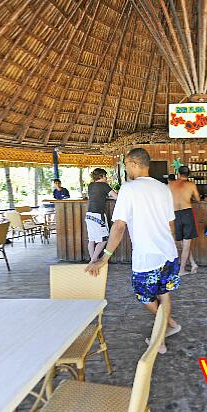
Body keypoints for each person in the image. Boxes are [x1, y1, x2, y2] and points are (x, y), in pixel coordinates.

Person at [86, 148, 181, 354]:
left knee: (145, 297)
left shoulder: (129, 189)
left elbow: (119, 227)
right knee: (163, 294)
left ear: (134, 164)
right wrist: (169, 244)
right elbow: (171, 224)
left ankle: (160, 337)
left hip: (147, 256)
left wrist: (105, 258)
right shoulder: (164, 188)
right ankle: (168, 324)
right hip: (168, 253)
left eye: (126, 164)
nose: (126, 168)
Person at [168, 165, 200, 276]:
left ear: (178, 174)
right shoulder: (191, 184)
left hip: (174, 214)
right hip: (187, 213)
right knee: (186, 243)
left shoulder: (170, 184)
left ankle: (192, 263)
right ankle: (181, 270)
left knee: (182, 243)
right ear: (188, 175)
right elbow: (198, 199)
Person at [86, 168, 118, 263]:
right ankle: (93, 260)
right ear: (101, 176)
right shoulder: (104, 185)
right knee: (103, 240)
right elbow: (116, 197)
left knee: (91, 239)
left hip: (89, 215)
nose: (106, 178)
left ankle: (92, 260)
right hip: (98, 215)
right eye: (105, 176)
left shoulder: (90, 185)